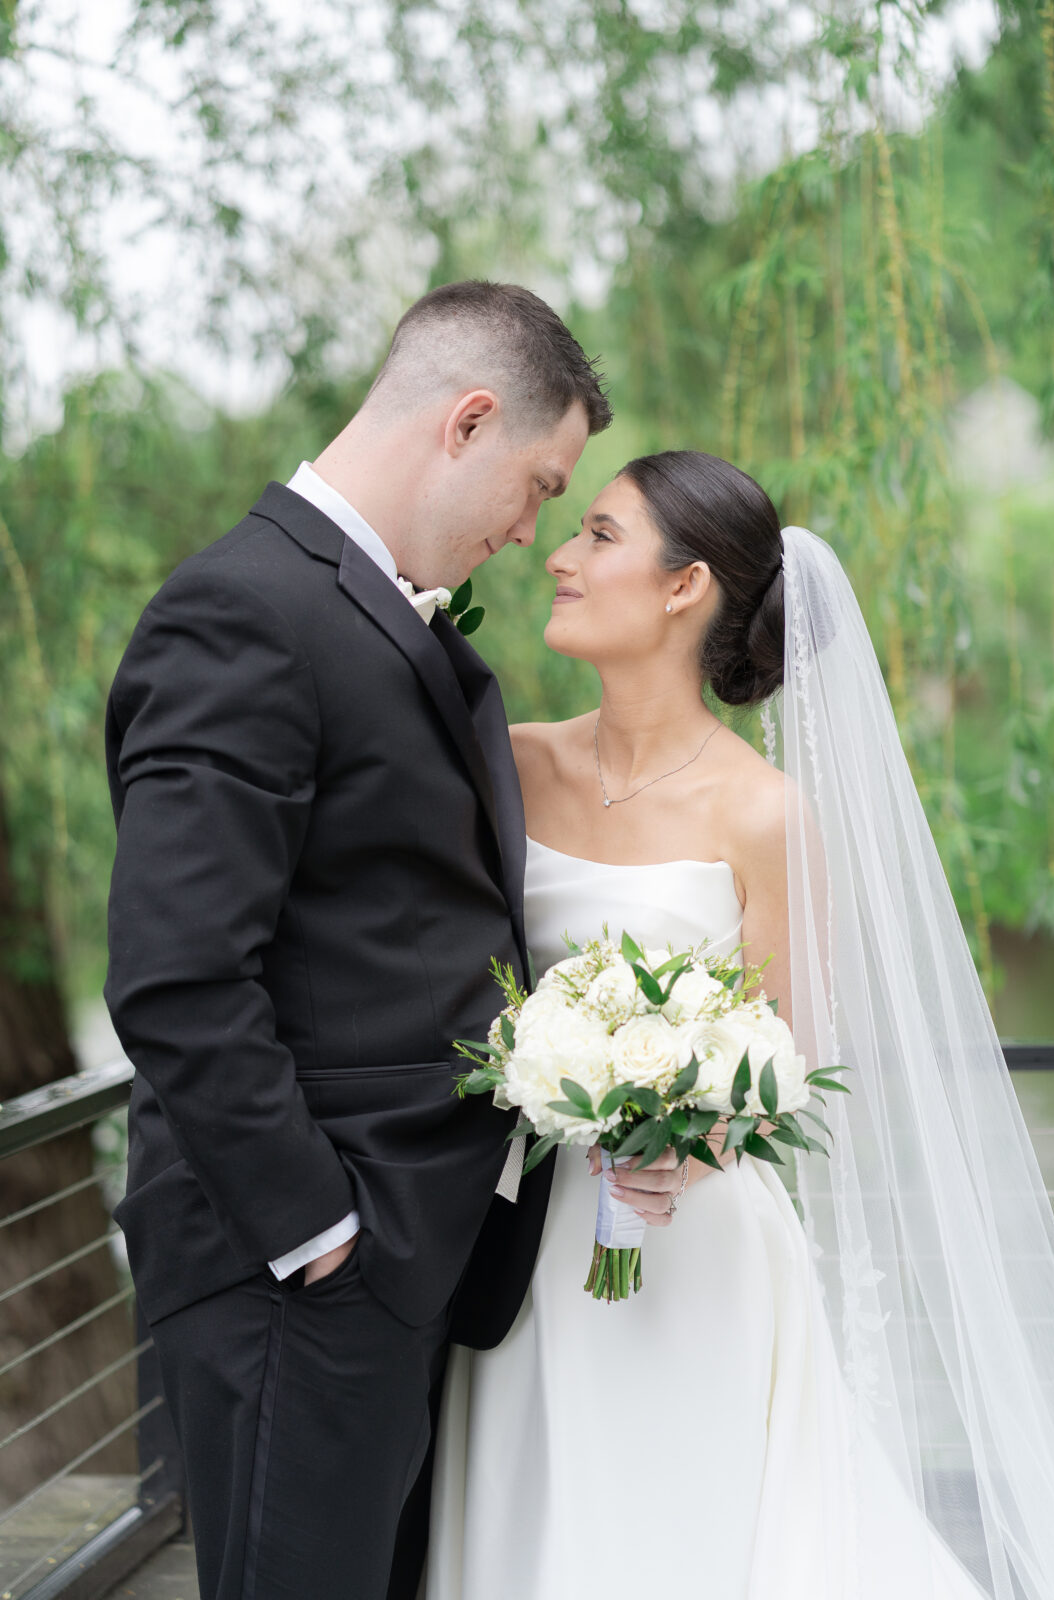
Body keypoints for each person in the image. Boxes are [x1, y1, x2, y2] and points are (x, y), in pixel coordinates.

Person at [424, 452, 1054, 1599]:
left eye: (601, 535)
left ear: (684, 586)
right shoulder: (506, 762)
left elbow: (788, 1058)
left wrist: (685, 1134)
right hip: (517, 1241)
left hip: (687, 1249)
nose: (558, 557)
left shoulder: (763, 815)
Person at [103, 280, 616, 1600]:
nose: (531, 530)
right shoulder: (245, 610)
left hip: (391, 1266)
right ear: (467, 422)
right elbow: (176, 973)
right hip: (299, 1276)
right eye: (540, 486)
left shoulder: (357, 608)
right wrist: (319, 1234)